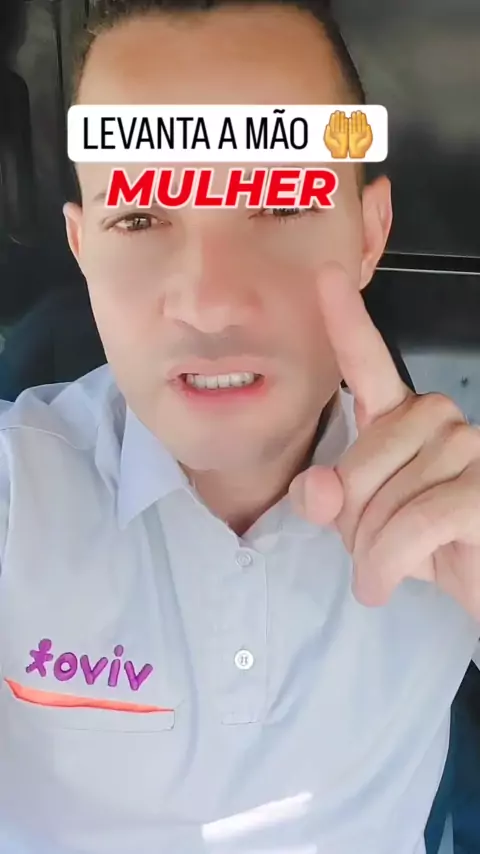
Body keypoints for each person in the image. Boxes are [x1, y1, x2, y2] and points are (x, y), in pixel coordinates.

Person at [0, 2, 479, 853]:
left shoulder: (459, 518)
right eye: (140, 219)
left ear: (370, 234)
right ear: (83, 249)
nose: (210, 304)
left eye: (280, 204)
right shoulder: (17, 495)